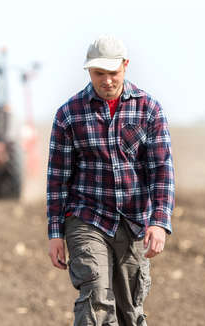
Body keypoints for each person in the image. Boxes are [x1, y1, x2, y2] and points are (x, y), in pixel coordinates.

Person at [47, 35, 174, 326]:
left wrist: (159, 221)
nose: (106, 81)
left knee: (130, 309)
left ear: (126, 66)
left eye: (112, 73)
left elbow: (161, 170)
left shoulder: (148, 110)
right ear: (88, 72)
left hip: (133, 222)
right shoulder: (69, 115)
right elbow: (58, 179)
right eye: (98, 74)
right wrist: (55, 233)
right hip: (87, 218)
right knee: (95, 301)